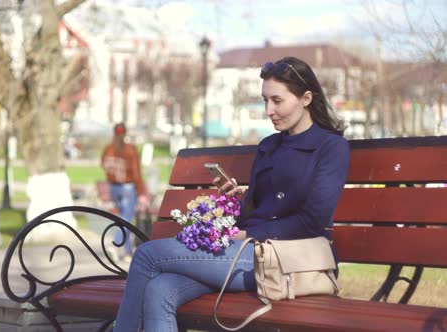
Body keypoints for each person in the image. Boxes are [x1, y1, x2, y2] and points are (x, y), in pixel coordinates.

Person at [112, 56, 350, 331]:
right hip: (244, 251)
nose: (268, 110)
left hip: (282, 259)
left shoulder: (331, 148)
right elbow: (258, 211)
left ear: (306, 98)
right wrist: (236, 201)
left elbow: (313, 220)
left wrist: (249, 235)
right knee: (159, 289)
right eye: (264, 100)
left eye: (277, 100)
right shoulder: (269, 146)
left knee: (146, 255)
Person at [101, 123, 149, 260]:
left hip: (114, 187)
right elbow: (136, 173)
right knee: (126, 219)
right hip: (127, 188)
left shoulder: (108, 149)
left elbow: (103, 164)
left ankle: (127, 252)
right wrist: (141, 192)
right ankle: (116, 245)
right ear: (125, 133)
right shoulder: (130, 149)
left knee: (124, 218)